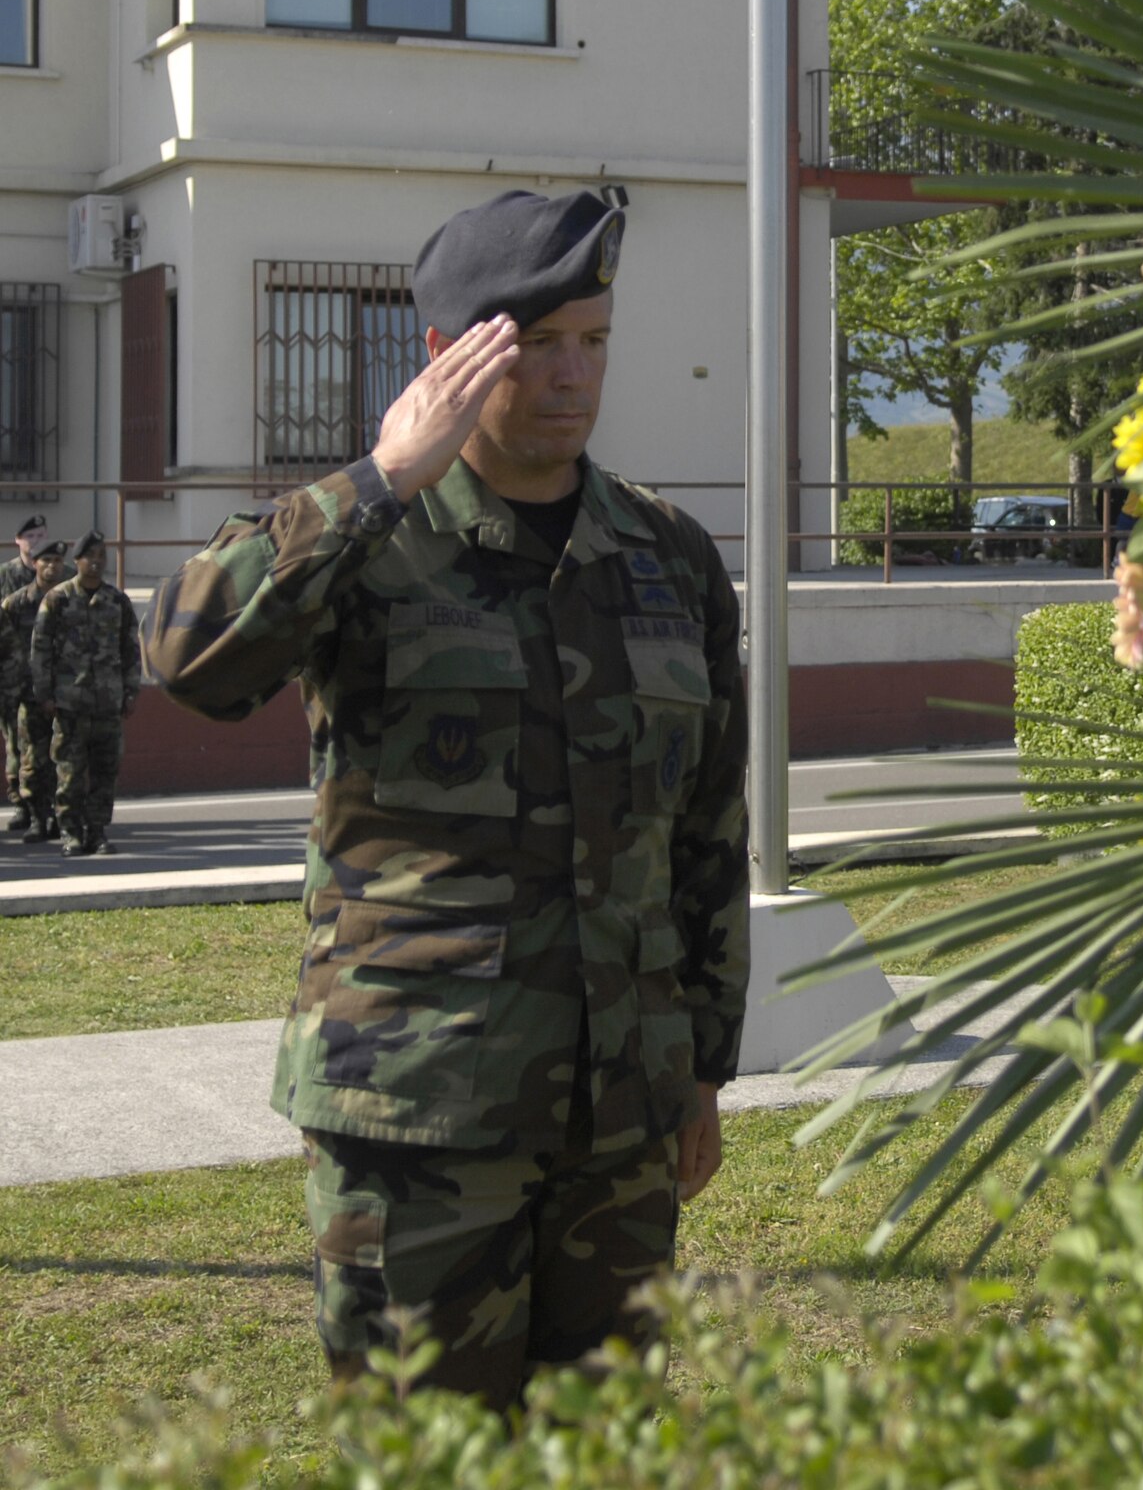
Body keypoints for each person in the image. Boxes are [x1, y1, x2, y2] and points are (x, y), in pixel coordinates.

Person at [141, 188, 749, 1410]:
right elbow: (188, 659)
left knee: (607, 1446)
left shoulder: (668, 554)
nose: (572, 375)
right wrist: (376, 477)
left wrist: (701, 1065)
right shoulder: (372, 537)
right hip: (415, 1116)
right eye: (535, 344)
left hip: (617, 1119)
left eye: (594, 340)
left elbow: (705, 831)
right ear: (449, 354)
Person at [32, 531, 141, 858]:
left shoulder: (117, 601)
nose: (96, 562)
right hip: (70, 703)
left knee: (105, 772)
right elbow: (40, 650)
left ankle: (97, 832)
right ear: (76, 561)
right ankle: (71, 833)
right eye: (89, 556)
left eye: (101, 556)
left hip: (107, 703)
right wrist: (45, 693)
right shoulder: (58, 599)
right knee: (69, 772)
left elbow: (131, 650)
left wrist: (131, 691)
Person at [0, 539, 67, 842]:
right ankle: (36, 815)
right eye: (46, 560)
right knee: (31, 758)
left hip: (65, 692)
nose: (52, 566)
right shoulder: (15, 604)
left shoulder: (71, 600)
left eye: (57, 561)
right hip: (27, 693)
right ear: (35, 564)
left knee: (67, 757)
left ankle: (63, 816)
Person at [0, 514, 48, 821]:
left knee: (47, 741)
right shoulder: (5, 575)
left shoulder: (60, 574)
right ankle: (20, 802)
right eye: (30, 536)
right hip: (11, 674)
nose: (35, 541)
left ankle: (46, 803)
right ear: (18, 540)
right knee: (15, 742)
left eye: (40, 535)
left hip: (44, 672)